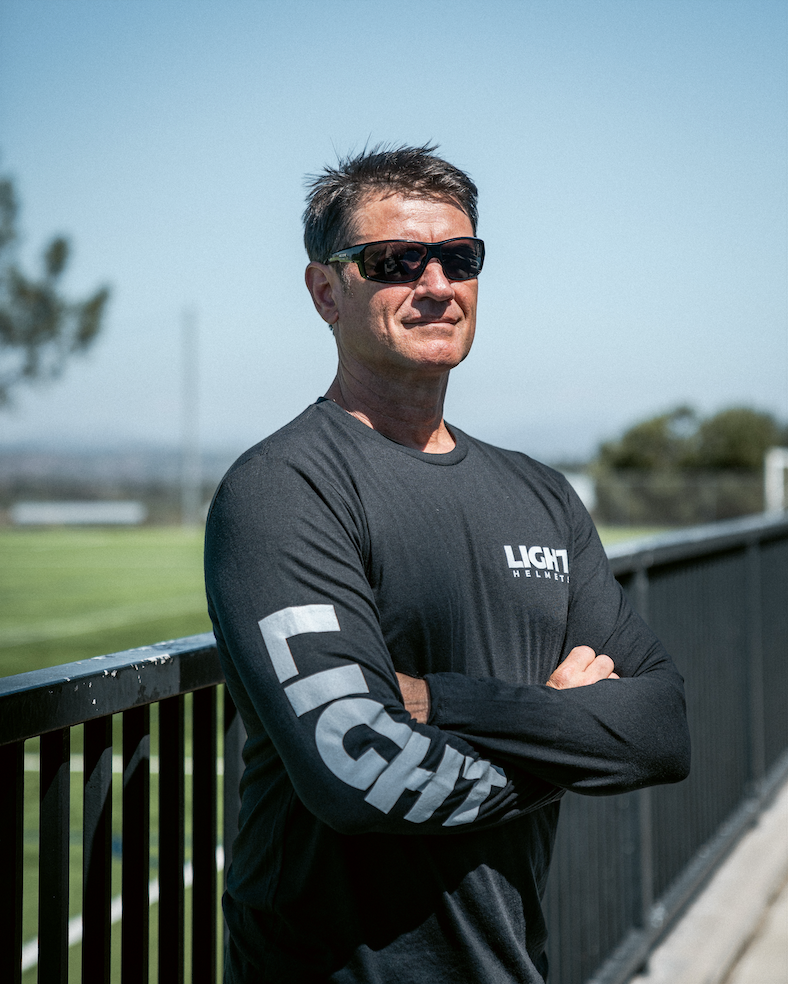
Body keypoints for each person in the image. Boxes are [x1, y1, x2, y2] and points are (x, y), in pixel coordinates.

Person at [204, 144, 690, 984]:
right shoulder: (285, 488)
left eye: (459, 259)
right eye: (395, 261)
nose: (436, 284)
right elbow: (357, 769)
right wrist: (562, 736)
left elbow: (660, 729)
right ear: (327, 290)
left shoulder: (540, 494)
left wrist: (442, 701)